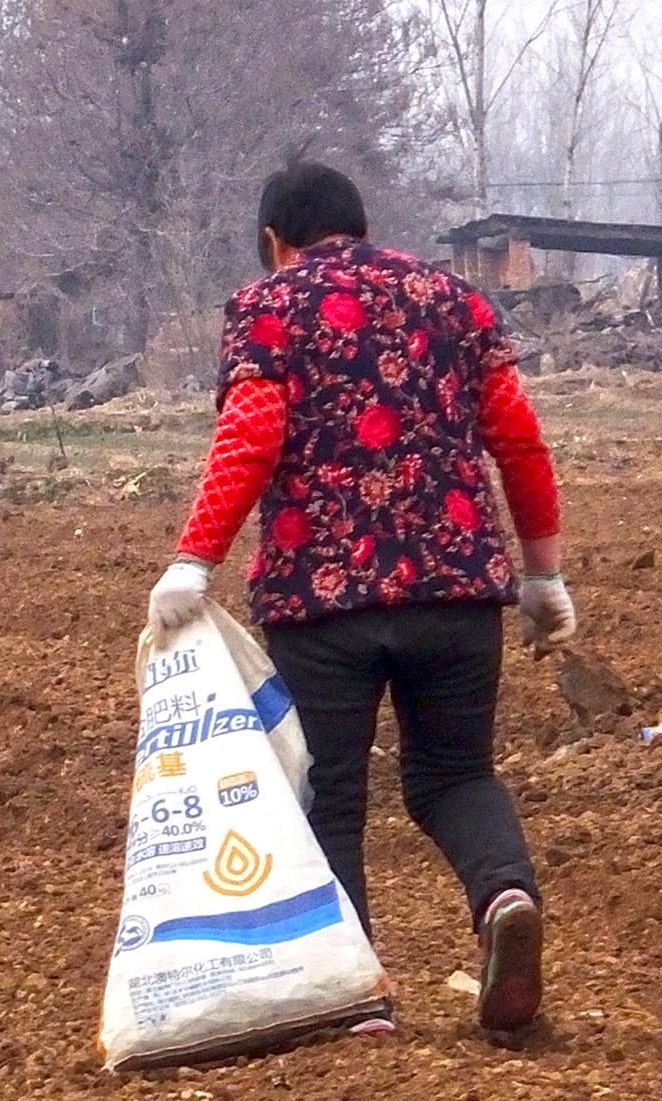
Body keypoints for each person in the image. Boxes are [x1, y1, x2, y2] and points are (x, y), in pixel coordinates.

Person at [147, 162, 573, 1039]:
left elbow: (253, 436)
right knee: (455, 775)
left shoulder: (269, 305)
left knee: (330, 793)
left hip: (323, 599)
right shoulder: (454, 300)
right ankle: (505, 899)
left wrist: (195, 559)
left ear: (274, 239)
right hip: (456, 591)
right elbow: (520, 443)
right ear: (362, 223)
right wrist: (543, 574)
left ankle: (358, 1000)